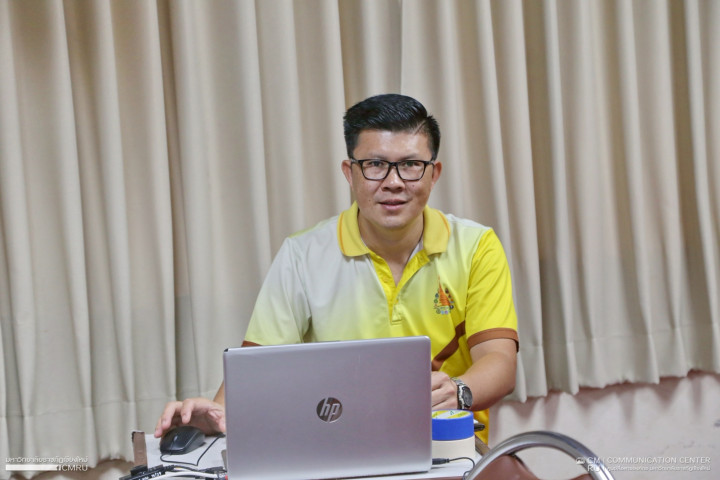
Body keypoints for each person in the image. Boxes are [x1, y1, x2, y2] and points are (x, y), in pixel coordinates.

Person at [155, 94, 518, 444]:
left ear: (433, 173)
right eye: (375, 165)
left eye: (410, 165)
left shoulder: (476, 246)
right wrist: (216, 415)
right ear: (350, 172)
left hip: (446, 442)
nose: (394, 182)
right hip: (337, 445)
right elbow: (258, 370)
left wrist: (459, 391)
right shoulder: (302, 255)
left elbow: (499, 361)